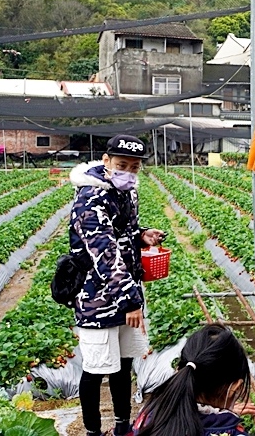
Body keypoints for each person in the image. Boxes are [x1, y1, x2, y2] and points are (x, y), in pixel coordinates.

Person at [70, 134, 166, 436]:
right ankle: (93, 431)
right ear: (106, 162)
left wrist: (142, 235)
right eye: (122, 165)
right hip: (96, 299)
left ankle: (123, 425)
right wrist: (131, 301)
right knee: (97, 369)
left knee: (124, 364)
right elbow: (105, 254)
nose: (129, 171)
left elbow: (124, 231)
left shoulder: (126, 192)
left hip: (124, 294)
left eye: (135, 167)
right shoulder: (90, 199)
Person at [132, 325, 255, 436]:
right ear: (234, 388)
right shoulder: (231, 433)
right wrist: (222, 419)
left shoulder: (151, 413)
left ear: (179, 369)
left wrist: (216, 414)